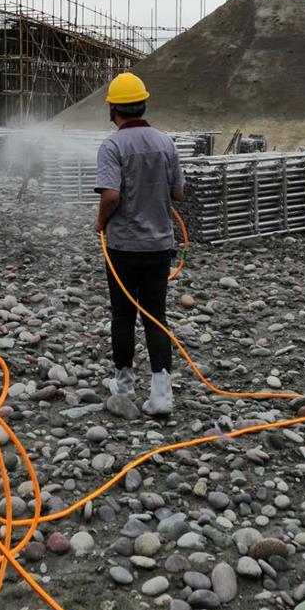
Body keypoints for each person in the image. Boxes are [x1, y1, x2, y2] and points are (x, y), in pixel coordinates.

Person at [94, 73, 184, 417]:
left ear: (114, 108)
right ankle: (161, 394)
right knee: (155, 316)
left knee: (123, 314)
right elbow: (177, 192)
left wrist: (101, 222)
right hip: (160, 246)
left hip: (123, 246)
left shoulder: (112, 146)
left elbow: (111, 194)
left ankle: (124, 382)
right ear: (143, 103)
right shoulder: (166, 143)